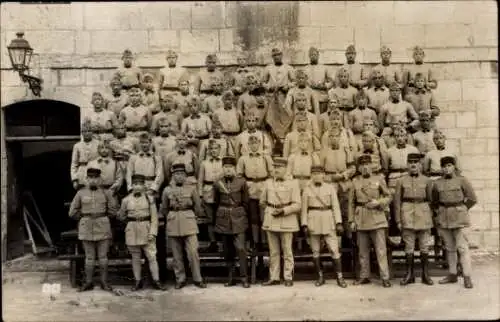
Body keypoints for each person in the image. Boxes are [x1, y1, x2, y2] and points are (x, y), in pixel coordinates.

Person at [69, 167, 118, 292]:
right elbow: (72, 212)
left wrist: (102, 217)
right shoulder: (80, 193)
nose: (93, 180)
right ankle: (88, 282)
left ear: (100, 179)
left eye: (95, 178)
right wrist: (85, 217)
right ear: (86, 179)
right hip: (86, 227)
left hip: (103, 225)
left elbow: (113, 210)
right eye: (90, 178)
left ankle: (104, 282)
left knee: (103, 257)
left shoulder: (106, 193)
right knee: (89, 257)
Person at [431, 156, 477, 289]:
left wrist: (462, 209)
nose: (447, 168)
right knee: (450, 248)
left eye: (449, 166)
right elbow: (434, 202)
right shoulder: (437, 183)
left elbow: (472, 199)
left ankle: (467, 277)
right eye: (444, 166)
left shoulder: (462, 180)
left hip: (459, 218)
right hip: (444, 218)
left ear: (454, 167)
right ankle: (452, 274)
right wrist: (439, 214)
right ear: (441, 168)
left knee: (462, 248)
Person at [160, 163, 207, 289]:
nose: (179, 177)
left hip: (189, 222)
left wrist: (191, 215)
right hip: (174, 221)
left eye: (181, 174)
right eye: (176, 174)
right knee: (176, 255)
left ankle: (198, 278)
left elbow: (198, 207)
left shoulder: (192, 188)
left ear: (186, 176)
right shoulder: (167, 190)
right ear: (173, 176)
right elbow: (164, 208)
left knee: (193, 252)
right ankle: (180, 279)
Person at [349, 155, 392, 287]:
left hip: (377, 216)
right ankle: (364, 276)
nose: (365, 167)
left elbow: (389, 196)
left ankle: (385, 277)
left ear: (372, 166)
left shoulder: (379, 179)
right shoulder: (355, 182)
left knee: (381, 250)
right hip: (361, 217)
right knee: (363, 251)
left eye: (368, 164)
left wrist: (378, 202)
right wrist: (352, 220)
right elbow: (351, 203)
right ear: (359, 167)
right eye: (362, 165)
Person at [301, 165, 347, 288]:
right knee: (315, 251)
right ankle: (320, 276)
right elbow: (304, 209)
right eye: (314, 174)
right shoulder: (307, 189)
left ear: (323, 175)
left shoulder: (330, 188)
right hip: (313, 221)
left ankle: (340, 277)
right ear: (311, 175)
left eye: (319, 173)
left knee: (334, 249)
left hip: (328, 220)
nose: (317, 176)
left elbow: (336, 206)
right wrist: (304, 224)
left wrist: (338, 222)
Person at [118, 174, 165, 291]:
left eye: (140, 184)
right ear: (131, 185)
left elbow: (154, 217)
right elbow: (121, 216)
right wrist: (130, 223)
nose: (137, 186)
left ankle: (156, 280)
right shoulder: (126, 200)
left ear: (144, 185)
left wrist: (152, 232)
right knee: (135, 257)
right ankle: (137, 281)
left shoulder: (150, 199)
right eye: (135, 184)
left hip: (146, 229)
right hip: (132, 230)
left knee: (152, 256)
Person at [394, 153, 434, 286]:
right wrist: (398, 220)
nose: (413, 165)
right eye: (410, 162)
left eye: (416, 162)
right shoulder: (401, 181)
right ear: (407, 165)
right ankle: (409, 274)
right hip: (407, 215)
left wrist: (430, 217)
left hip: (423, 215)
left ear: (420, 165)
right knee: (409, 246)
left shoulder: (427, 181)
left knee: (424, 246)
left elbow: (430, 200)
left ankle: (425, 274)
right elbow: (397, 202)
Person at [260, 157, 301, 287]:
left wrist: (283, 210)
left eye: (279, 167)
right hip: (271, 219)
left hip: (286, 219)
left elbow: (297, 205)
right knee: (273, 251)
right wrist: (270, 209)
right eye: (275, 167)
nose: (276, 170)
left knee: (287, 250)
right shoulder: (268, 183)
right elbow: (262, 201)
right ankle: (274, 277)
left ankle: (288, 276)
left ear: (285, 169)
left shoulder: (293, 183)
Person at [214, 156, 251, 288]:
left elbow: (246, 203)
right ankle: (231, 277)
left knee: (241, 249)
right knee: (228, 250)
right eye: (225, 167)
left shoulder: (241, 182)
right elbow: (216, 202)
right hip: (224, 220)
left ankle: (244, 278)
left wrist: (241, 215)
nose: (228, 170)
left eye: (230, 167)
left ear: (234, 168)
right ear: (222, 168)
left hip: (239, 220)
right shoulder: (217, 183)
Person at [236, 135, 274, 254]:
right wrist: (246, 185)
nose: (254, 145)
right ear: (248, 145)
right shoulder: (243, 159)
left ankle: (264, 241)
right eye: (251, 143)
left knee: (264, 216)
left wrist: (268, 185)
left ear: (259, 144)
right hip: (250, 189)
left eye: (256, 143)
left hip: (263, 188)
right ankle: (255, 242)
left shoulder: (266, 157)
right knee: (253, 218)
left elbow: (272, 173)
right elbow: (239, 175)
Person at [262, 48, 295, 145]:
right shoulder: (268, 68)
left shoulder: (289, 68)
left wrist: (287, 86)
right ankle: (274, 142)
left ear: (282, 55)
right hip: (272, 97)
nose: (277, 57)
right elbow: (263, 82)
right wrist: (269, 87)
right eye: (275, 55)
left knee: (286, 117)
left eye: (278, 55)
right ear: (272, 57)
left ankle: (285, 141)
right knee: (272, 118)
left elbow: (294, 81)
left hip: (284, 96)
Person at [197, 140, 224, 253]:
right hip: (208, 191)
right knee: (210, 219)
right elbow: (200, 180)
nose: (214, 151)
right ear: (208, 151)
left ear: (219, 150)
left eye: (216, 148)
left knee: (222, 217)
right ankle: (213, 242)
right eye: (211, 149)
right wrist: (200, 194)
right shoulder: (204, 163)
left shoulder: (223, 162)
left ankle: (223, 242)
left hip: (221, 192)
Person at [71, 121, 100, 190]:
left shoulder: (98, 143)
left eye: (89, 131)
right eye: (85, 131)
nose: (87, 133)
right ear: (82, 133)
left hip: (95, 171)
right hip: (82, 171)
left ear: (92, 132)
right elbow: (74, 163)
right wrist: (74, 179)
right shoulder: (77, 146)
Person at [304, 46, 334, 113]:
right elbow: (302, 81)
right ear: (309, 56)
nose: (313, 56)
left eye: (315, 54)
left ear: (318, 55)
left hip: (322, 97)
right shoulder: (305, 68)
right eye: (311, 55)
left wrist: (324, 86)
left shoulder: (324, 68)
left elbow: (332, 82)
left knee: (321, 117)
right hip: (309, 97)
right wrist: (308, 85)